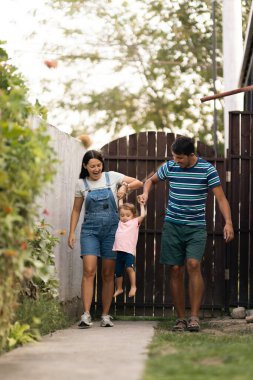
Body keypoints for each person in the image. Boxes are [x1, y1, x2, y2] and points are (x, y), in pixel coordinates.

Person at [138, 136, 234, 332]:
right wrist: (146, 193)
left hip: (196, 226)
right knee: (174, 268)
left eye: (180, 158)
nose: (176, 161)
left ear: (191, 155)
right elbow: (150, 180)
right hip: (172, 225)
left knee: (193, 264)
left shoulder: (207, 170)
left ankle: (194, 317)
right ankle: (181, 319)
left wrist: (229, 223)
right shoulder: (170, 167)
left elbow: (222, 199)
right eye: (174, 157)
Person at [68, 150, 143, 328]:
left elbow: (138, 182)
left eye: (99, 165)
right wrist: (71, 232)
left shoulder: (112, 177)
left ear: (103, 165)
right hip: (90, 231)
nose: (96, 169)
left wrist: (125, 187)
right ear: (85, 166)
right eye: (92, 166)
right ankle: (86, 315)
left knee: (108, 274)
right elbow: (77, 210)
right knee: (89, 270)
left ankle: (105, 315)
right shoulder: (81, 184)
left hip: (111, 231)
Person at [112, 199, 147, 298]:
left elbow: (143, 215)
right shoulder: (120, 222)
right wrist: (121, 198)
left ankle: (133, 286)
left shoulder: (135, 222)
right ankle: (119, 288)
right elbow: (120, 207)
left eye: (128, 215)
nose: (124, 218)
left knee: (129, 267)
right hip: (119, 251)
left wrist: (141, 205)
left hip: (129, 252)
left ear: (133, 216)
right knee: (117, 271)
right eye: (122, 215)